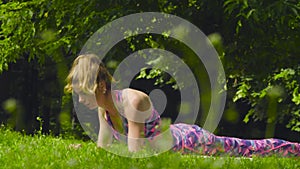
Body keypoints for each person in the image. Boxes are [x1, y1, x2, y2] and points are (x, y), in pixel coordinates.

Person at [65, 54, 300, 157]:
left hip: (189, 142)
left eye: (83, 93)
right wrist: (80, 149)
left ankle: (294, 149)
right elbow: (104, 148)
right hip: (174, 141)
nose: (81, 100)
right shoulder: (103, 109)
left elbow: (135, 153)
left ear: (101, 86)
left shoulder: (131, 101)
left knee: (245, 148)